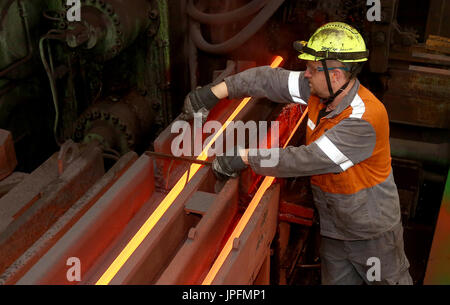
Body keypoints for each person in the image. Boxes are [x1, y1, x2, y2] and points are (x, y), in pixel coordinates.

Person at [182, 22, 413, 285]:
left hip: (371, 237)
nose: (305, 75)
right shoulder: (320, 90)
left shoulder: (364, 119)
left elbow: (303, 159)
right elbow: (267, 79)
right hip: (334, 228)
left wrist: (245, 157)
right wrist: (214, 93)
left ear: (335, 75)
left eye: (312, 69)